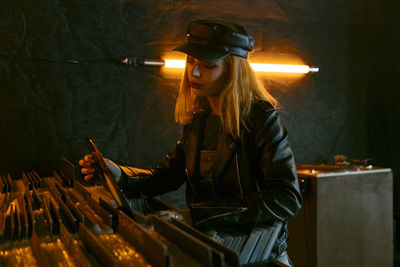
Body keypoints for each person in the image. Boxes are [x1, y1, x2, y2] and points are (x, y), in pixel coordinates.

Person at [79, 19, 302, 267]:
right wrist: (119, 174)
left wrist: (195, 217)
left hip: (261, 257)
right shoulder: (199, 118)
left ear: (232, 70)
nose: (193, 72)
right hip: (213, 251)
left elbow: (286, 198)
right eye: (191, 61)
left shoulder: (261, 119)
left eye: (207, 65)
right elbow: (167, 175)